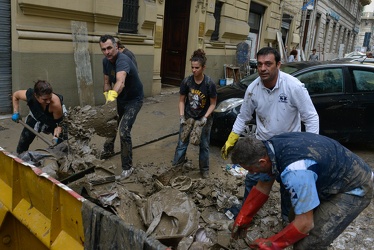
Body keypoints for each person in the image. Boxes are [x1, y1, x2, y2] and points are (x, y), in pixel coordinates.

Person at [221, 47, 319, 221]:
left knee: (288, 188)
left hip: (289, 149)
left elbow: (311, 118)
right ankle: (247, 214)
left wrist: (309, 148)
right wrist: (232, 138)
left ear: (278, 65)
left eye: (268, 64)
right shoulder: (253, 89)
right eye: (259, 64)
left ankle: (286, 220)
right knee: (253, 180)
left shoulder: (293, 86)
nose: (263, 68)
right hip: (263, 147)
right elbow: (243, 116)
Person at [230, 133, 373, 249]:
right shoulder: (269, 148)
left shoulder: (295, 172)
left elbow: (305, 224)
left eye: (250, 170)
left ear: (262, 161)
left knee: (308, 244)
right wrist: (244, 217)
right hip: (328, 176)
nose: (252, 173)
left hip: (353, 187)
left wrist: (270, 244)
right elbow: (263, 185)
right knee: (294, 219)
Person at [99, 34, 144, 179]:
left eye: (109, 48)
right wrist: (108, 101)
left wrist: (112, 97)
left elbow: (120, 82)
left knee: (124, 131)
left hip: (133, 100)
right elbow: (107, 82)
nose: (107, 52)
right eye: (104, 49)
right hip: (119, 99)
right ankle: (108, 150)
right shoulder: (106, 61)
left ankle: (127, 167)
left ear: (116, 47)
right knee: (110, 123)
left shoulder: (123, 60)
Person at [172, 49, 217, 179]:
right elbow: (181, 100)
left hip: (203, 118)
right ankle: (176, 168)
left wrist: (205, 118)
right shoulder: (187, 82)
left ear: (203, 68)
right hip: (188, 116)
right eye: (192, 67)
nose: (194, 70)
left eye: (197, 68)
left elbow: (213, 104)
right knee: (182, 143)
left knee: (204, 145)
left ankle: (204, 170)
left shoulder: (209, 84)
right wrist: (181, 117)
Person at [11, 80, 67, 154]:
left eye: (50, 97)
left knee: (61, 148)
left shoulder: (55, 104)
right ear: (36, 96)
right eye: (45, 99)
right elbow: (15, 95)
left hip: (56, 121)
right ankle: (21, 158)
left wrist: (55, 138)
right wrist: (16, 112)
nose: (48, 101)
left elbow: (59, 125)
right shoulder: (30, 95)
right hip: (37, 116)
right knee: (23, 143)